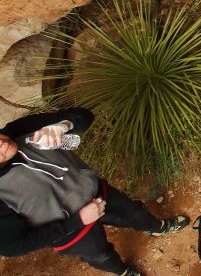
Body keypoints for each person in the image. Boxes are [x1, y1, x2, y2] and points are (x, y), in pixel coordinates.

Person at [0, 108, 188, 275]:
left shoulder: (18, 130)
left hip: (97, 193)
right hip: (70, 232)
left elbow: (84, 115)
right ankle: (123, 272)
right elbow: (14, 246)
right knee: (101, 256)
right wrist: (78, 220)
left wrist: (63, 125)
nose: (0, 142)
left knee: (134, 213)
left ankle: (157, 228)